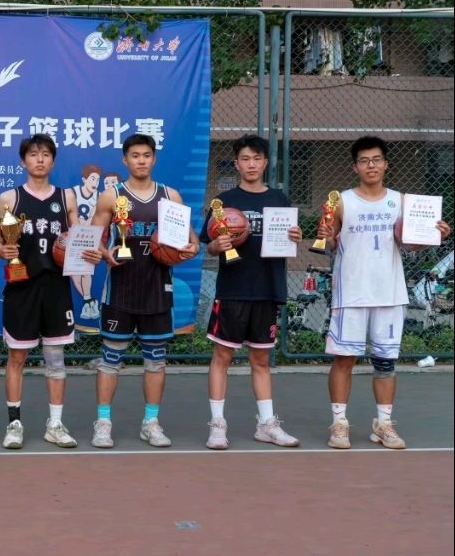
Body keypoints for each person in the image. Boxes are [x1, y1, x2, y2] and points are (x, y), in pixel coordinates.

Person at [317, 136, 451, 449]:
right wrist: (326, 237)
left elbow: (411, 244)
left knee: (386, 363)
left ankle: (384, 424)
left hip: (390, 293)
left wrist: (436, 236)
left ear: (386, 164)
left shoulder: (401, 201)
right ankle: (339, 423)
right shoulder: (341, 202)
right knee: (344, 360)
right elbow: (327, 246)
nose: (371, 165)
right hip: (351, 293)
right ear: (355, 167)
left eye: (376, 159)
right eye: (364, 161)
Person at [90, 133, 199, 448]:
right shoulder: (111, 197)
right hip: (120, 289)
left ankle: (151, 422)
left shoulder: (170, 196)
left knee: (155, 361)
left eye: (146, 155)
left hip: (157, 288)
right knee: (110, 358)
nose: (141, 160)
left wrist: (190, 249)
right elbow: (93, 239)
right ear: (125, 160)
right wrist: (104, 253)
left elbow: (190, 240)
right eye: (135, 155)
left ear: (154, 159)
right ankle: (103, 423)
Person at [0, 134, 102, 450]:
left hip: (55, 287)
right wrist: (3, 250)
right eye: (33, 154)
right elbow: (0, 242)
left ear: (53, 161)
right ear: (23, 161)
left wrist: (90, 252)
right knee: (17, 356)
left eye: (45, 154)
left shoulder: (66, 198)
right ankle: (14, 423)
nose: (39, 159)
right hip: (22, 287)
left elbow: (78, 237)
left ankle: (55, 424)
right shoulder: (9, 199)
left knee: (55, 357)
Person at [199, 135, 302, 450]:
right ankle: (218, 425)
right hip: (233, 289)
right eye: (245, 159)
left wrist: (295, 236)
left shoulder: (280, 200)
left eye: (257, 158)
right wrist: (217, 246)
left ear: (266, 162)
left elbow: (288, 240)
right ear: (236, 163)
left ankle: (266, 425)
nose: (251, 164)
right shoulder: (223, 202)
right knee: (222, 356)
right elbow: (209, 246)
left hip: (267, 288)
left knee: (261, 359)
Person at [70, 164, 102, 320]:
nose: (95, 182)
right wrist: (77, 225)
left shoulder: (100, 196)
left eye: (98, 179)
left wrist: (84, 227)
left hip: (89, 236)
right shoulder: (72, 193)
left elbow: (93, 218)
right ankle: (90, 301)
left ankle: (88, 302)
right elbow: (69, 214)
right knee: (74, 273)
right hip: (72, 237)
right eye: (92, 178)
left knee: (86, 270)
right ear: (84, 179)